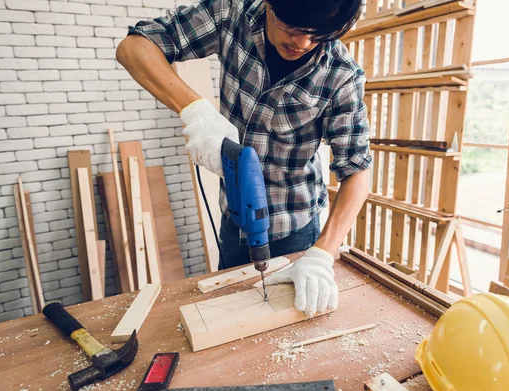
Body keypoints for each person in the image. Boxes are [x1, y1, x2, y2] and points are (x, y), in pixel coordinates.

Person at [116, 0, 371, 317]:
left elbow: (357, 172)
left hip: (295, 228)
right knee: (226, 316)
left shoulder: (341, 75)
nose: (302, 43)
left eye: (317, 35)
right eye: (291, 28)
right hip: (235, 219)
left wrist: (322, 254)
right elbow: (133, 48)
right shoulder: (230, 14)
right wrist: (196, 111)